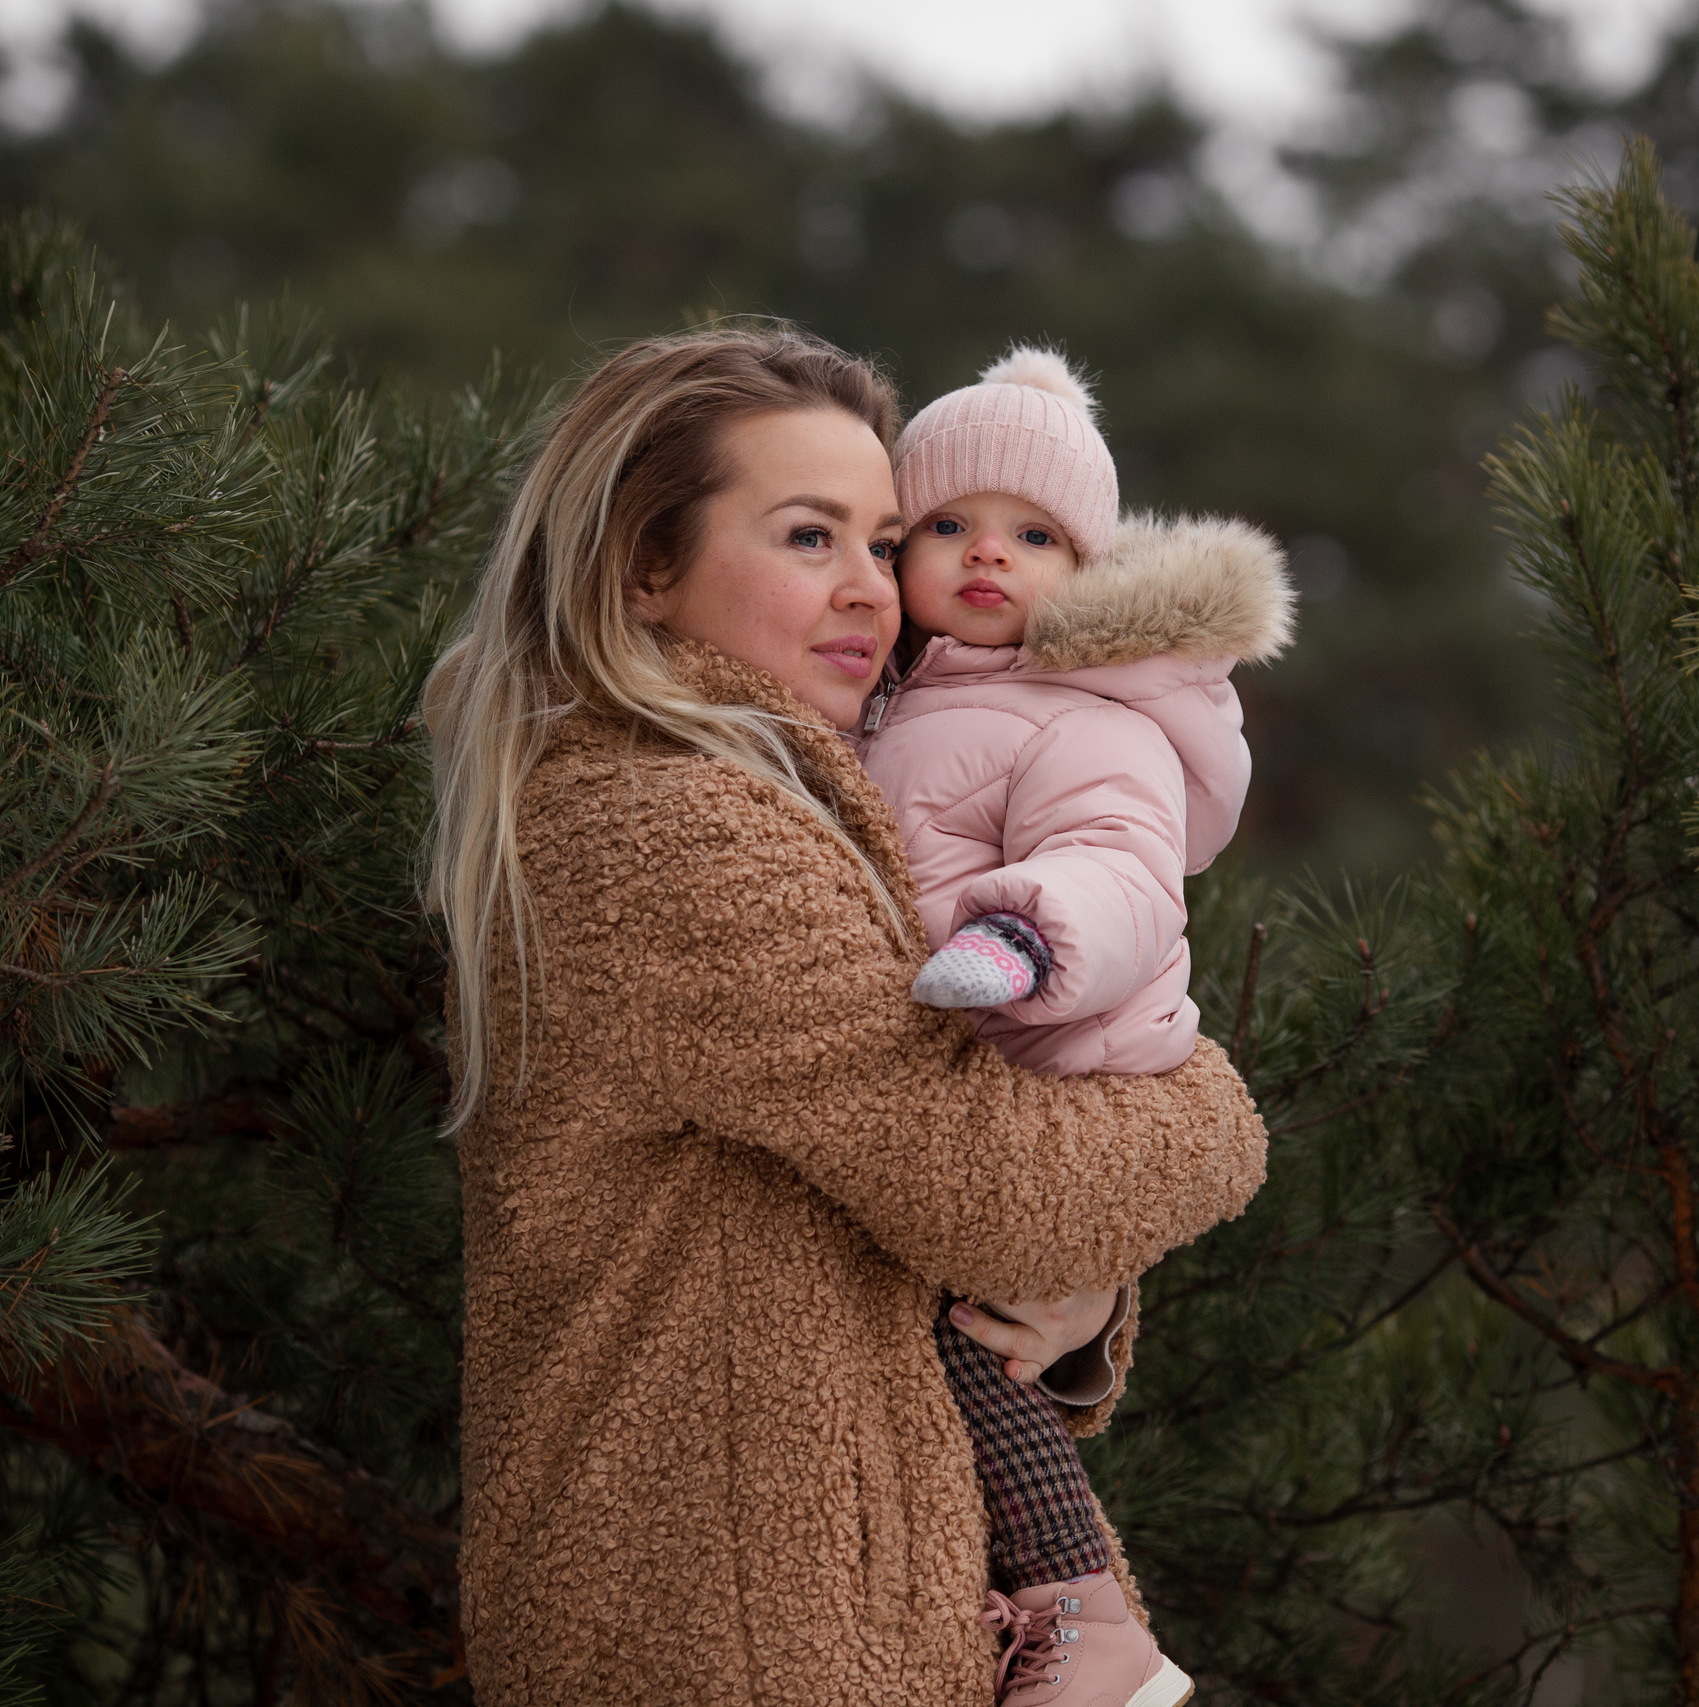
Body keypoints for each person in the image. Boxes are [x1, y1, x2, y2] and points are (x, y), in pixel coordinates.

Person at [423, 324, 1269, 1707]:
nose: (874, 591)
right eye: (811, 537)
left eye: (887, 545)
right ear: (644, 566)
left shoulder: (807, 799)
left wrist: (1078, 1287)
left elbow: (910, 1208)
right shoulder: (667, 825)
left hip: (817, 1613)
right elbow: (980, 1176)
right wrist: (1219, 1120)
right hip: (726, 1635)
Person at [855, 348, 1293, 1706]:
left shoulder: (1084, 713)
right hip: (981, 1057)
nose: (990, 553)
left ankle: (1090, 1620)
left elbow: (1121, 871)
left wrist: (1021, 937)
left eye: (1034, 534)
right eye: (949, 526)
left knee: (966, 1349)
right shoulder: (899, 698)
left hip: (1059, 1042)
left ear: (1087, 569)